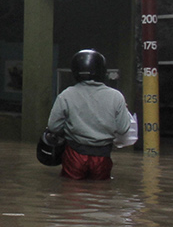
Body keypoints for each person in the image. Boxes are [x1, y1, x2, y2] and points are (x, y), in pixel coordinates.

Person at [45, 49, 136, 181]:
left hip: (74, 154)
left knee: (71, 192)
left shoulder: (66, 95)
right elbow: (123, 129)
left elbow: (53, 127)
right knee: (100, 193)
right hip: (102, 156)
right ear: (102, 71)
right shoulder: (116, 96)